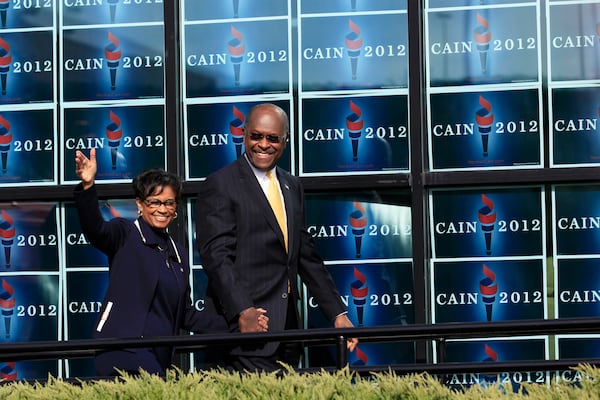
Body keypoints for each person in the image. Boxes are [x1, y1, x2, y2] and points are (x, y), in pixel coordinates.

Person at [73, 148, 268, 376]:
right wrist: (88, 186)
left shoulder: (178, 253)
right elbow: (95, 230)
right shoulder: (125, 233)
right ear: (140, 204)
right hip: (122, 349)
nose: (162, 209)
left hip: (157, 355)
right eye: (155, 202)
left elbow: (186, 315)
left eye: (169, 203)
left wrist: (239, 325)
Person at [195, 103, 357, 373]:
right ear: (244, 134)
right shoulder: (221, 184)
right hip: (247, 328)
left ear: (285, 141)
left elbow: (305, 255)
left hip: (288, 328)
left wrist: (338, 313)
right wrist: (242, 309)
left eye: (272, 138)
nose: (263, 144)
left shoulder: (292, 185)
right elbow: (216, 256)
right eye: (256, 136)